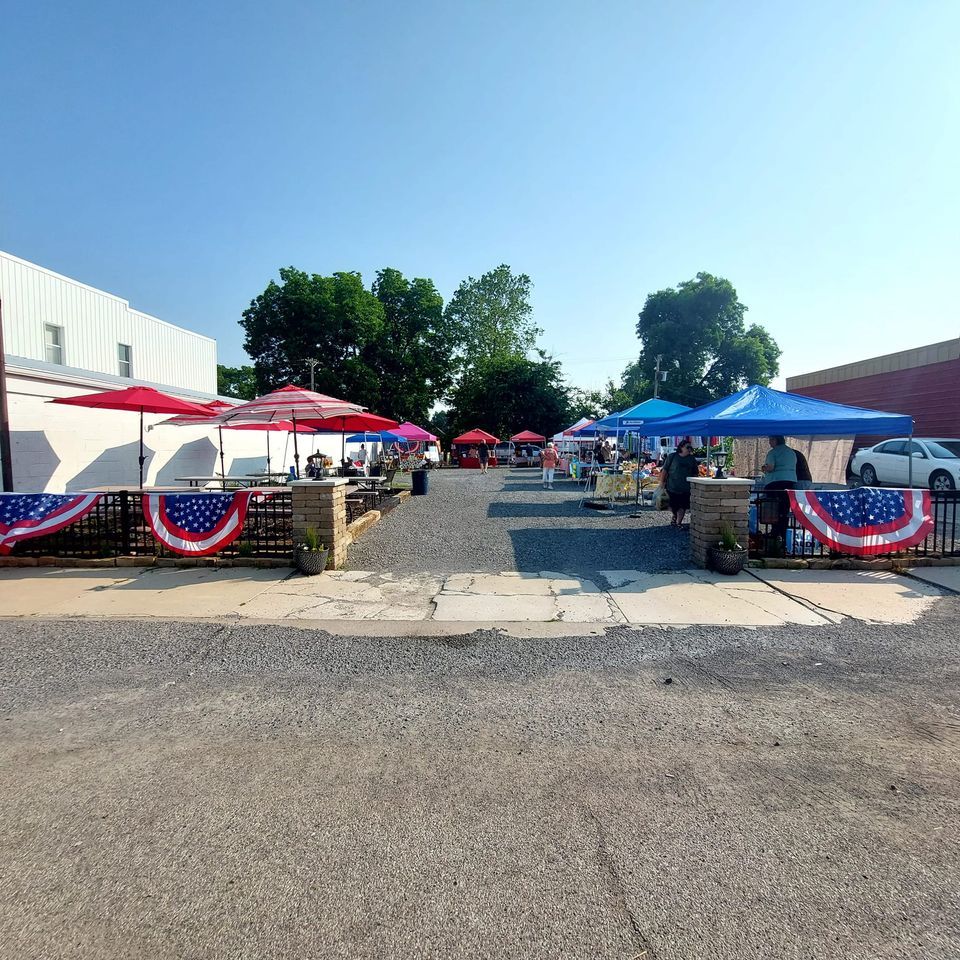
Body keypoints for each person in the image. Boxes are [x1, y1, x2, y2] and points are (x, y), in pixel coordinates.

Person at [761, 436, 799, 545]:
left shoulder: (773, 452)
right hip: (790, 482)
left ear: (775, 440)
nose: (769, 442)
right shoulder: (791, 452)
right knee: (784, 509)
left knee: (774, 509)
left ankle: (774, 532)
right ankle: (783, 533)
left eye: (770, 440)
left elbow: (771, 467)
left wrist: (764, 468)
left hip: (775, 482)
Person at [661, 440, 700, 528]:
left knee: (682, 507)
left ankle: (678, 523)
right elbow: (665, 470)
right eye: (687, 447)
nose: (689, 449)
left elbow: (695, 472)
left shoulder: (691, 459)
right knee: (673, 506)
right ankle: (675, 516)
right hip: (672, 486)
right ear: (681, 447)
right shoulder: (672, 456)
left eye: (690, 447)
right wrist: (662, 482)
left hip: (686, 488)